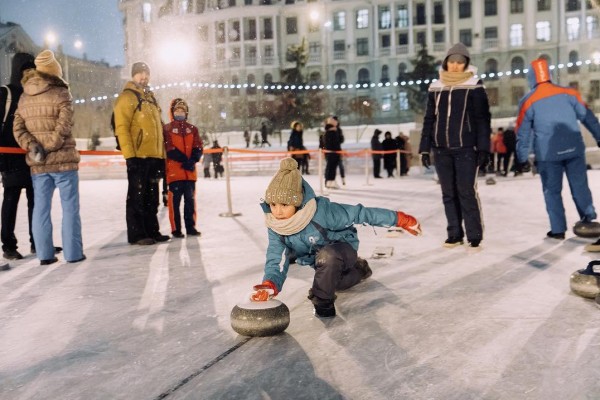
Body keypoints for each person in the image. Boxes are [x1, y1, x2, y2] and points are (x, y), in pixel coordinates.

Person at [250, 158, 422, 318]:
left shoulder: (323, 212)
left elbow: (361, 213)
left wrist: (400, 219)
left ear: (297, 202)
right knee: (338, 282)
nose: (277, 211)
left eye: (284, 205)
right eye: (273, 204)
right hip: (319, 260)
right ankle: (360, 270)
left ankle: (322, 300)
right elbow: (276, 258)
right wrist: (270, 284)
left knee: (328, 257)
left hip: (343, 248)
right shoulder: (276, 225)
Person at [13, 50, 85, 265]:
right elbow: (64, 125)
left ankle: (44, 254)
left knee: (40, 210)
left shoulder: (24, 96)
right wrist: (52, 144)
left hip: (39, 164)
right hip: (64, 161)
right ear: (55, 72)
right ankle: (73, 253)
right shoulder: (61, 93)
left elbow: (18, 129)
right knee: (70, 208)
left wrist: (33, 146)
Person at [515, 57, 600, 240]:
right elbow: (588, 117)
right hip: (574, 149)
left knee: (552, 191)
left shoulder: (528, 101)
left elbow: (523, 133)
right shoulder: (569, 93)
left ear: (531, 77)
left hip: (548, 154)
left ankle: (558, 229)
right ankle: (588, 218)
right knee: (580, 186)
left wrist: (522, 158)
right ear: (550, 74)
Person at [418, 43, 491, 248]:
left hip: (466, 148)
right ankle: (454, 233)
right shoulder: (436, 87)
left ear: (466, 64)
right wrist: (425, 148)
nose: (456, 66)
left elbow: (482, 119)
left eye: (460, 62)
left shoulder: (474, 85)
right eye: (452, 62)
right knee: (448, 193)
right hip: (441, 149)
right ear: (446, 63)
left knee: (466, 191)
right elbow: (429, 119)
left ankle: (474, 234)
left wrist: (484, 148)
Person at [113, 61, 169, 246]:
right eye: (139, 73)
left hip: (154, 156)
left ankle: (152, 230)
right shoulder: (127, 97)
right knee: (137, 196)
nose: (143, 77)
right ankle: (137, 234)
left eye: (146, 73)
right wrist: (130, 156)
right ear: (133, 76)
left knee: (152, 197)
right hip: (138, 156)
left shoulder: (151, 99)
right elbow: (122, 128)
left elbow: (158, 128)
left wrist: (162, 155)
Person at [0, 53, 35, 260]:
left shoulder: (32, 94)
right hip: (10, 158)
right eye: (25, 70)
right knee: (11, 200)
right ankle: (8, 245)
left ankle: (37, 241)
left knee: (35, 200)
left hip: (30, 157)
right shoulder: (6, 93)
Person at [163, 99, 203, 238]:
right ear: (172, 112)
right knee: (175, 204)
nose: (179, 113)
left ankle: (191, 227)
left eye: (182, 110)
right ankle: (176, 229)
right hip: (175, 173)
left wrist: (193, 160)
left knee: (190, 202)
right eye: (177, 110)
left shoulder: (193, 129)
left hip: (190, 173)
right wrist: (184, 160)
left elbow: (198, 147)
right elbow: (169, 149)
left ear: (186, 112)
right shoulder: (167, 129)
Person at [323, 116, 342, 189]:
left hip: (332, 152)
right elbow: (333, 143)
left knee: (331, 167)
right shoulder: (331, 131)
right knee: (331, 167)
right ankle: (330, 182)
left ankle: (330, 182)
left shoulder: (332, 131)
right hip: (333, 152)